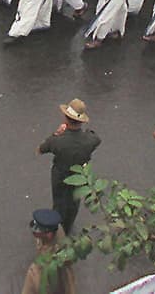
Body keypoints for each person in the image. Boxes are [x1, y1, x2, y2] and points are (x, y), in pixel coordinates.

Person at [38, 99, 101, 233]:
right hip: (80, 175)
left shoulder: (57, 141)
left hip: (60, 174)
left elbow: (41, 149)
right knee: (74, 200)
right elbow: (96, 139)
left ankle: (55, 227)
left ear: (66, 118)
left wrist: (57, 133)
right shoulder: (90, 140)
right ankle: (68, 226)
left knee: (59, 201)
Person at [21, 209, 76, 294]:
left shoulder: (34, 272)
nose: (34, 232)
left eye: (38, 230)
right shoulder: (57, 230)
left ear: (49, 234)